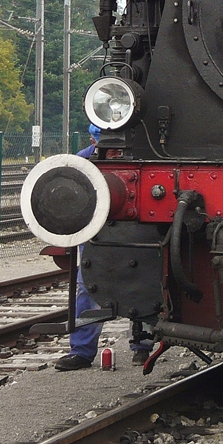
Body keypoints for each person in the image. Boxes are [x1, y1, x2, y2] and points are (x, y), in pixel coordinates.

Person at [56, 126, 153, 371]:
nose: (113, 154)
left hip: (138, 230)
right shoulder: (82, 161)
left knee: (145, 284)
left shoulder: (143, 155)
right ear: (94, 141)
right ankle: (81, 351)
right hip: (97, 234)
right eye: (106, 149)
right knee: (86, 288)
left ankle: (142, 346)